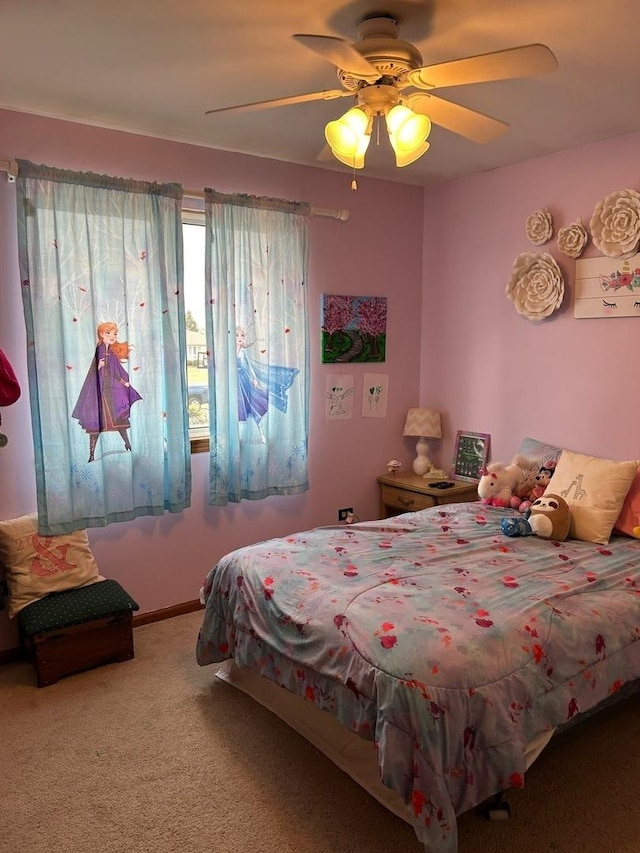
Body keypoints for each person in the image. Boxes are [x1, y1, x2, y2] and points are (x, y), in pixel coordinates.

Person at [72, 322, 142, 462]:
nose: (112, 336)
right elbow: (97, 368)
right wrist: (99, 366)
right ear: (101, 334)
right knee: (97, 423)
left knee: (118, 420)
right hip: (102, 391)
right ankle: (92, 454)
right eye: (108, 333)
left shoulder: (110, 351)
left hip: (110, 389)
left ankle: (127, 444)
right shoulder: (100, 349)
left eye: (114, 333)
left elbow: (114, 370)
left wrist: (123, 381)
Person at [235, 326, 298, 441]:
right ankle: (239, 436)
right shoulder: (230, 352)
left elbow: (248, 367)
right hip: (235, 381)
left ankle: (260, 433)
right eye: (237, 335)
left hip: (244, 380)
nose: (240, 338)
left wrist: (254, 380)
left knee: (252, 404)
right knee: (239, 407)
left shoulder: (243, 353)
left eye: (242, 335)